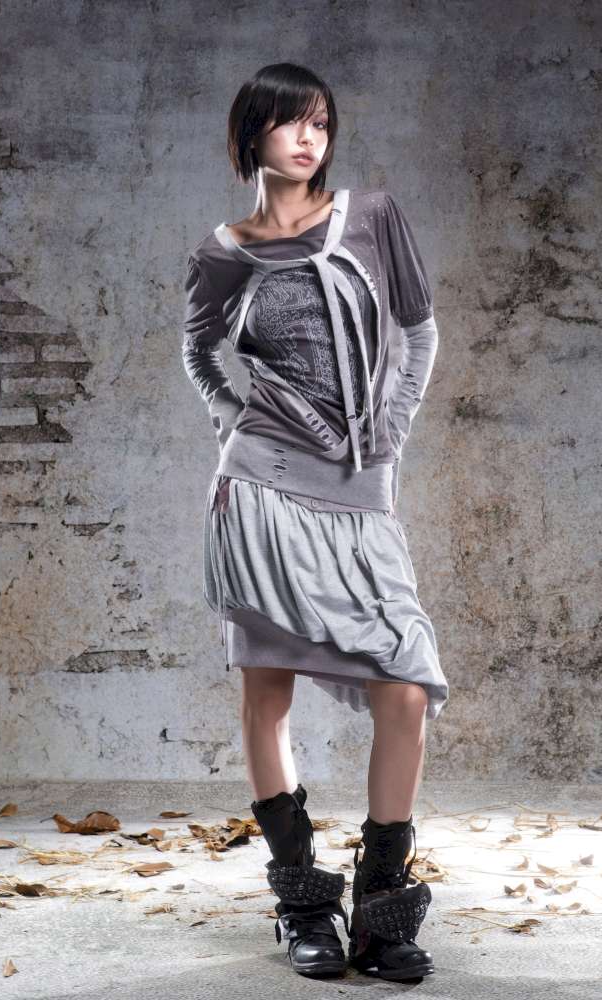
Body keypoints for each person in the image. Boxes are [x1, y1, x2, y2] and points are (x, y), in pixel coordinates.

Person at [181, 61, 449, 982]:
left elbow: (419, 332)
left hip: (359, 485)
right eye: (292, 123)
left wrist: (391, 430)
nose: (309, 139)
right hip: (258, 487)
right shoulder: (222, 253)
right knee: (268, 691)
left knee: (404, 687)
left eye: (322, 124)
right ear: (251, 133)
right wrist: (238, 422)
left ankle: (381, 907)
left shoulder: (372, 217)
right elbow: (201, 352)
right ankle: (303, 905)